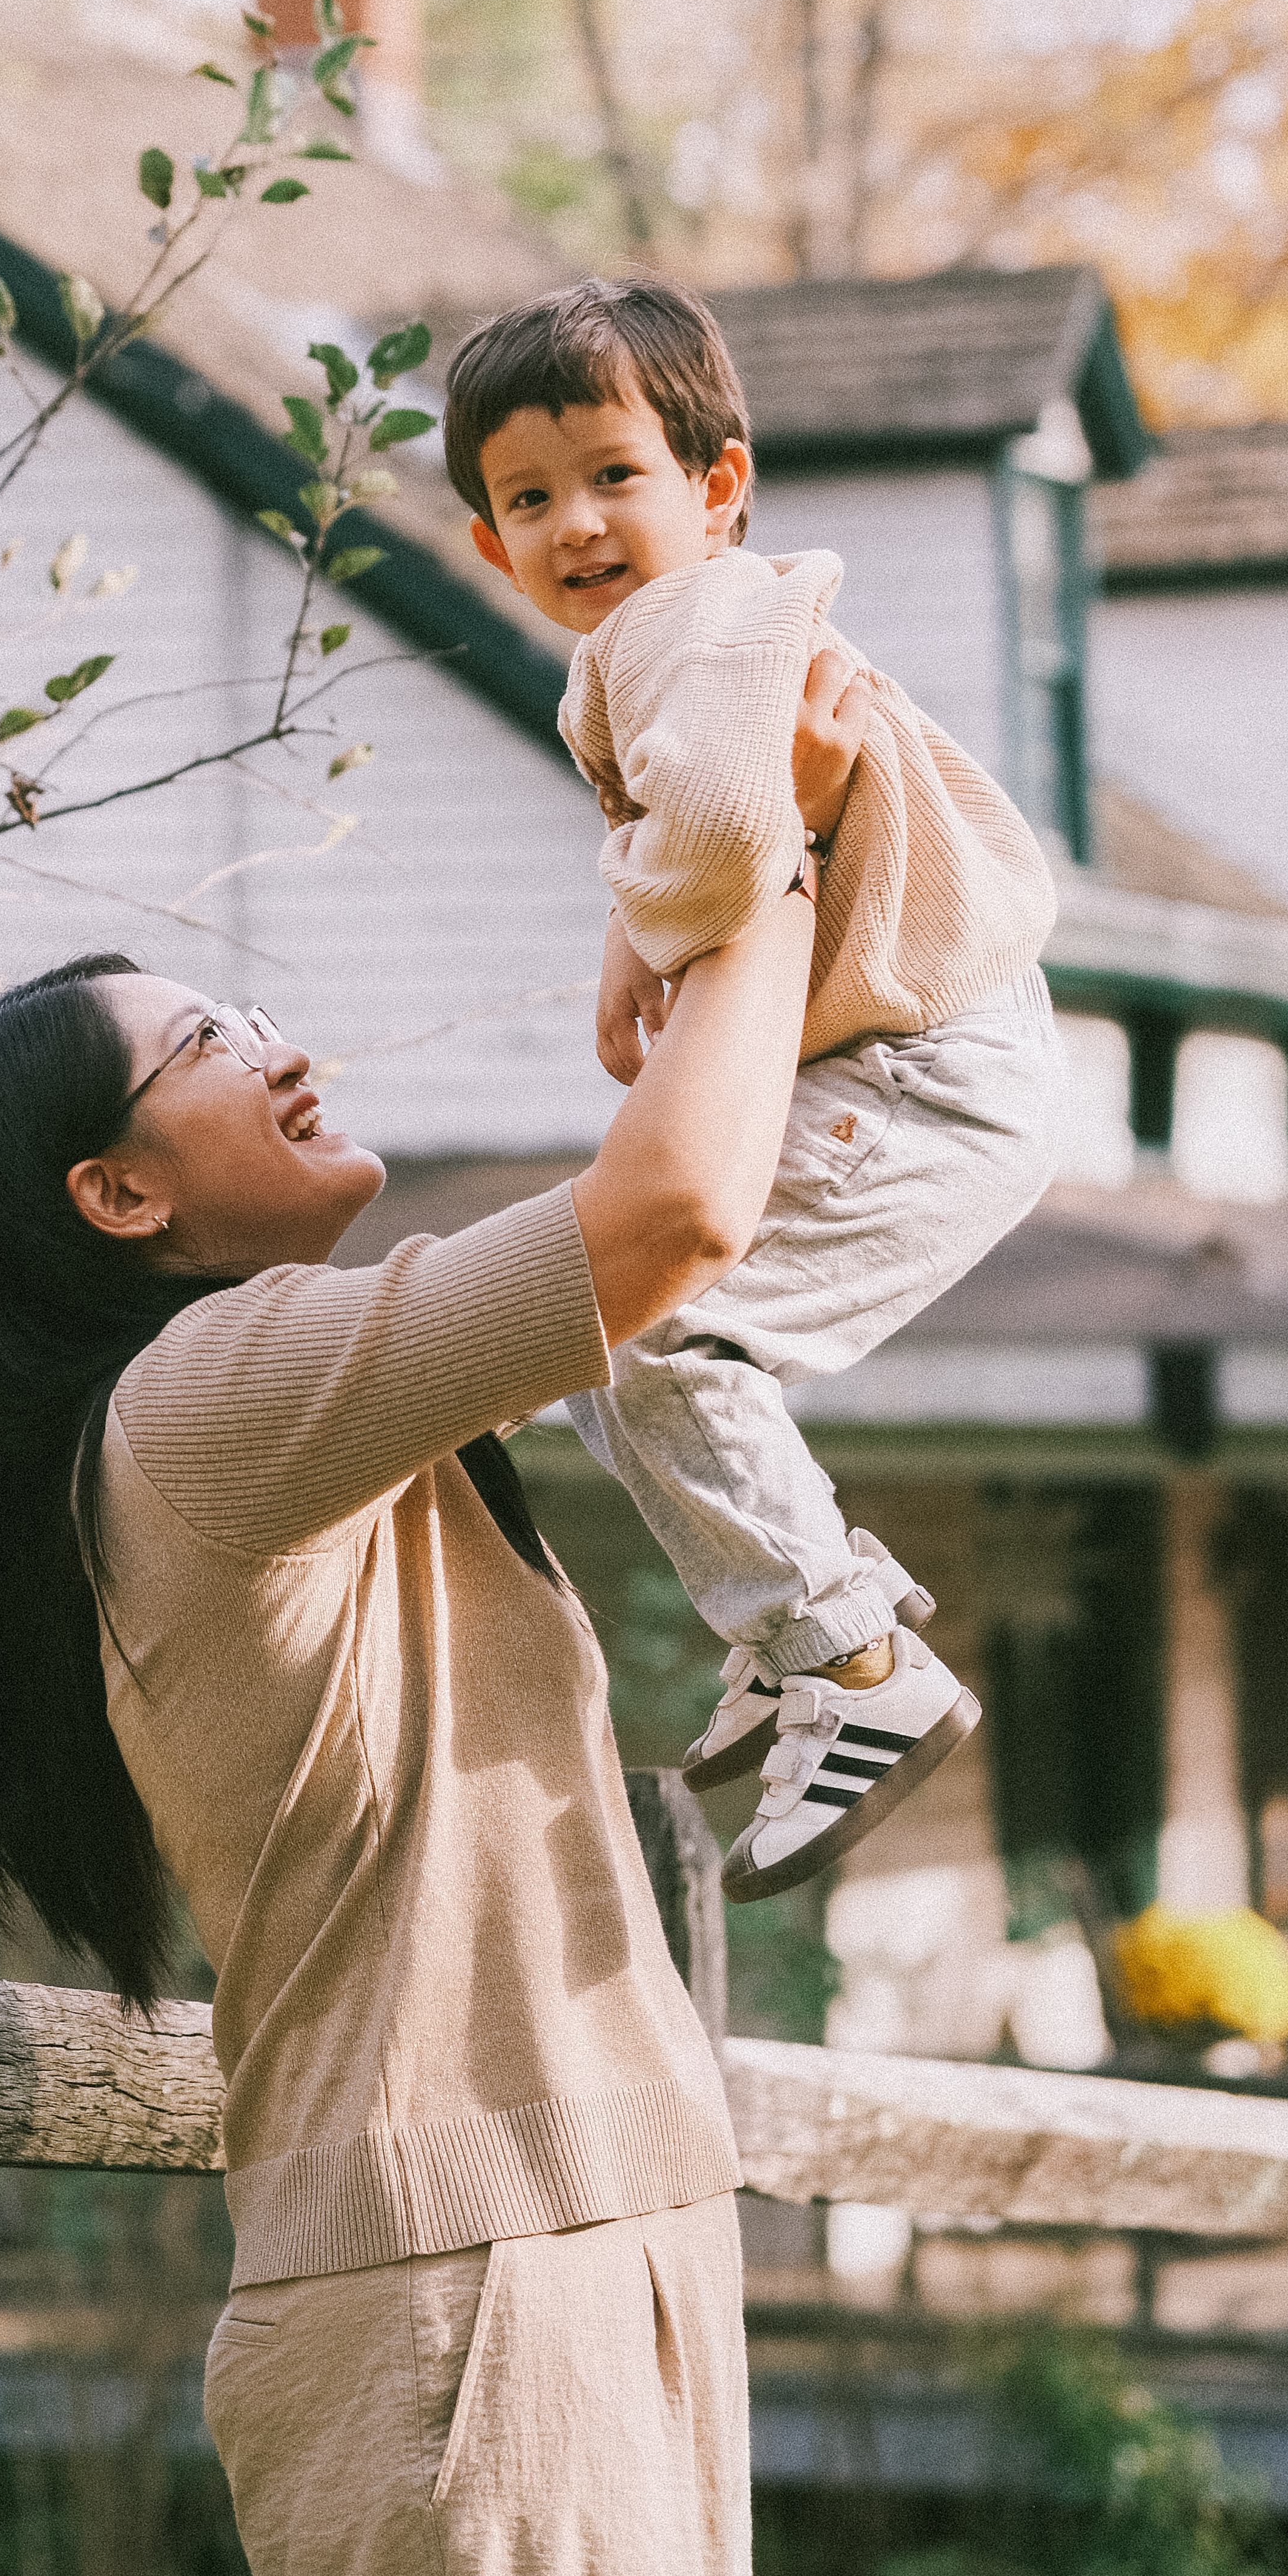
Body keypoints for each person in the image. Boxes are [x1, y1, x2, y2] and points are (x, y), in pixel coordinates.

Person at [0, 666, 851, 2576]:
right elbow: (676, 1209)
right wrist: (746, 854)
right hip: (466, 2282)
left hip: (578, 2231)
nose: (287, 1050)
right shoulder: (208, 1403)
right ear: (118, 1197)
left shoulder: (282, 1416)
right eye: (210, 1045)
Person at [443, 275, 1061, 1901]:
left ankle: (850, 1660)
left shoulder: (697, 621)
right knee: (616, 1341)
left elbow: (726, 838)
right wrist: (632, 932)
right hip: (925, 1051)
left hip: (928, 1067)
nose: (575, 522)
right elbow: (716, 836)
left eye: (612, 475)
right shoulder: (654, 647)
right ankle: (792, 1623)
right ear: (485, 540)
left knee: (668, 1343)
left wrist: (640, 926)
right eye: (527, 497)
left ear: (717, 489)